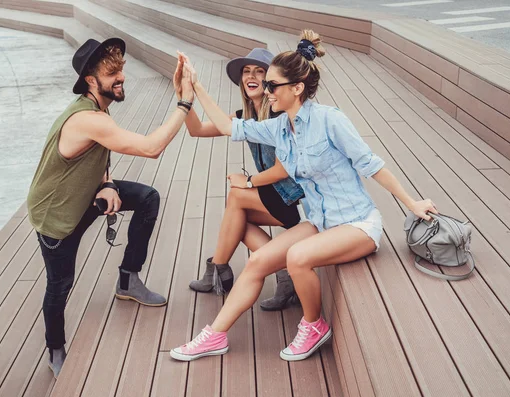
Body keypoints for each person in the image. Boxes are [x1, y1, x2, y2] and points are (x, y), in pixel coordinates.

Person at [171, 30, 437, 362]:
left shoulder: (331, 120)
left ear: (297, 88)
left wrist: (412, 203)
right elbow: (229, 128)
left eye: (272, 85)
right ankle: (214, 336)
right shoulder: (280, 127)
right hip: (320, 222)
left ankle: (313, 325)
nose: (266, 91)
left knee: (297, 257)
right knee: (257, 262)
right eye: (265, 85)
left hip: (357, 226)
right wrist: (193, 88)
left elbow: (371, 165)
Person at [26, 38, 193, 377]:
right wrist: (184, 103)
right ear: (91, 79)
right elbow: (150, 148)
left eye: (121, 70)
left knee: (147, 198)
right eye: (112, 72)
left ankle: (128, 281)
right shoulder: (88, 117)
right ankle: (55, 348)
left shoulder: (97, 109)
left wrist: (106, 182)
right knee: (59, 285)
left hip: (87, 195)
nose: (121, 78)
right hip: (56, 215)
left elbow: (101, 149)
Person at [175, 48, 304, 310]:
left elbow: (283, 171)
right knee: (236, 219)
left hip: (297, 200)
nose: (251, 76)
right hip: (277, 196)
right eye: (247, 72)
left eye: (259, 71)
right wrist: (183, 95)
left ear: (271, 81)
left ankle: (218, 271)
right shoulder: (244, 116)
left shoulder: (279, 117)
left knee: (236, 198)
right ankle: (283, 272)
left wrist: (247, 182)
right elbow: (196, 130)